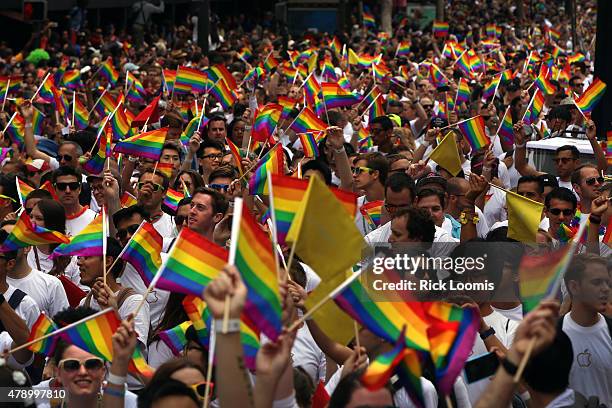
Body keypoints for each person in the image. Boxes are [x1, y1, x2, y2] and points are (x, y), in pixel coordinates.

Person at [561, 253, 612, 407]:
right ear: (574, 286)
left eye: (607, 283)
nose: (605, 289)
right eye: (597, 283)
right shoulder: (552, 336)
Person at [52, 166, 96, 236]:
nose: (67, 191)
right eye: (61, 186)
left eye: (73, 186)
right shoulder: (47, 220)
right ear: (54, 189)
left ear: (80, 188)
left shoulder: (95, 219)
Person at [136, 169, 176, 239]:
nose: (147, 190)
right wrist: (140, 202)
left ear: (164, 193)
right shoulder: (125, 218)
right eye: (142, 185)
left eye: (154, 187)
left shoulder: (173, 224)